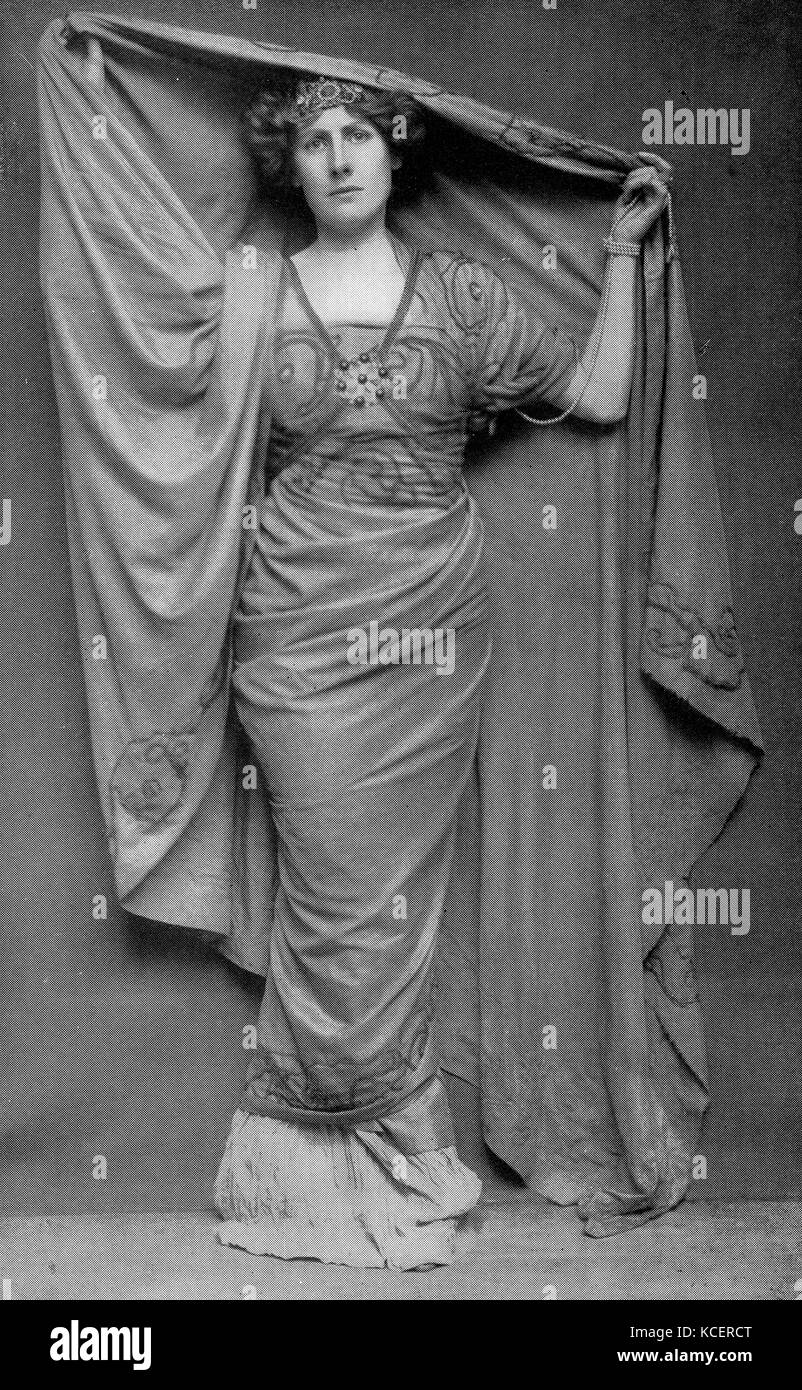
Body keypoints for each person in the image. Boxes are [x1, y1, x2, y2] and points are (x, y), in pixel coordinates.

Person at [211, 73, 672, 1270]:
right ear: (291, 164)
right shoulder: (251, 297)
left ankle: (393, 1152)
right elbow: (184, 459)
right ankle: (327, 1169)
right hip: (296, 631)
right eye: (313, 141)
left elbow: (600, 394)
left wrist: (619, 254)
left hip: (428, 633)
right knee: (334, 892)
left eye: (357, 133)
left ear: (395, 150)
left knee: (391, 906)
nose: (338, 156)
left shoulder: (460, 298)